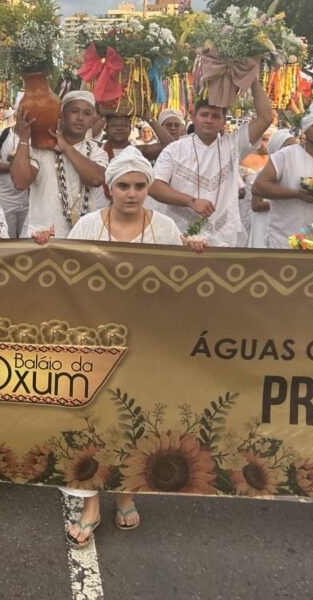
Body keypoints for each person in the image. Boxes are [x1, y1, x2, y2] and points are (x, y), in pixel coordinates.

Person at [31, 146, 207, 548]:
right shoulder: (89, 225)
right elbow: (65, 271)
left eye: (139, 186)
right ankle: (91, 503)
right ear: (109, 189)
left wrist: (195, 254)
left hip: (146, 339)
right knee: (92, 416)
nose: (131, 193)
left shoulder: (163, 228)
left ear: (148, 188)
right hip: (94, 338)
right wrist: (46, 244)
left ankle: (127, 492)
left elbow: (181, 283)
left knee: (136, 417)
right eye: (124, 186)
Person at [148, 76, 273, 247]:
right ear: (193, 117)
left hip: (224, 237)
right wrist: (191, 202)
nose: (209, 119)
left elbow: (266, 117)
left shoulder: (233, 144)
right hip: (181, 235)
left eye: (215, 116)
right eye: (204, 114)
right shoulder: (175, 149)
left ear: (223, 122)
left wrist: (251, 78)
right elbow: (155, 186)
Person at [10, 90, 108, 238]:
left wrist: (66, 148)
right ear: (62, 115)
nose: (80, 118)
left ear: (92, 120)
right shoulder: (41, 149)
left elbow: (96, 179)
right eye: (74, 111)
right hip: (42, 237)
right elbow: (20, 182)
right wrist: (24, 138)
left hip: (84, 237)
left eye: (87, 113)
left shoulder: (96, 151)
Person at [253, 103, 313, 249]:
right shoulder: (285, 156)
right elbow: (258, 187)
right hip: (286, 240)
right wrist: (298, 194)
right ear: (305, 130)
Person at [248, 129, 296, 249]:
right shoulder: (263, 175)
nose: (294, 151)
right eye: (289, 146)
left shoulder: (298, 175)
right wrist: (285, 202)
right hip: (265, 224)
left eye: (296, 146)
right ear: (278, 149)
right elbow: (256, 205)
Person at [0, 122, 29, 238]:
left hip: (30, 201)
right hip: (6, 201)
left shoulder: (38, 138)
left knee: (28, 241)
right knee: (8, 240)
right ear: (17, 113)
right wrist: (12, 168)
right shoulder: (2, 135)